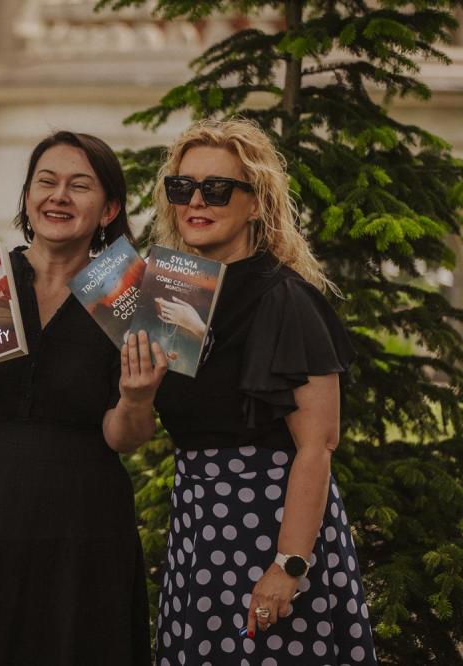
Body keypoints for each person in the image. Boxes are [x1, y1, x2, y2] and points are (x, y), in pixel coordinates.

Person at [125, 118, 377, 665]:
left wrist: (289, 565)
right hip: (199, 526)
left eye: (217, 188)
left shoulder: (284, 297)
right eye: (182, 186)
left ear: (257, 203)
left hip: (273, 528)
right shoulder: (172, 293)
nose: (196, 201)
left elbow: (318, 445)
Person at [0, 131, 154, 665]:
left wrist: (136, 398)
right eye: (46, 182)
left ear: (109, 208)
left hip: (83, 527)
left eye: (79, 185)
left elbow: (125, 438)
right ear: (27, 196)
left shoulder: (128, 295)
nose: (59, 196)